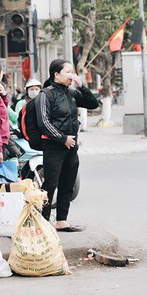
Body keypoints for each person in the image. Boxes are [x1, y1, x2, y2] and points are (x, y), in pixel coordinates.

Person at [36, 59, 99, 231]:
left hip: (71, 147)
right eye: (68, 72)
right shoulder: (45, 94)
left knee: (68, 183)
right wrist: (62, 138)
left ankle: (62, 220)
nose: (71, 75)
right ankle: (42, 221)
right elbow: (44, 122)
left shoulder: (71, 94)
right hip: (53, 146)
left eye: (72, 72)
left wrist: (82, 87)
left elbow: (93, 103)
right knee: (50, 184)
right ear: (56, 74)